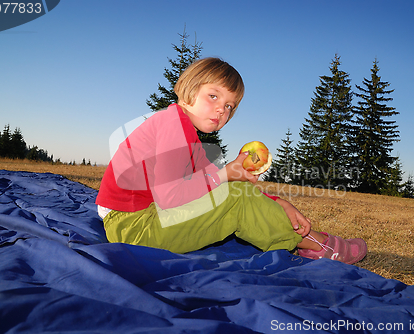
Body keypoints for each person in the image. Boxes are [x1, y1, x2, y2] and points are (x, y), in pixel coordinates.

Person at [96, 57, 367, 265]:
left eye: (229, 106)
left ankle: (304, 238)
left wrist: (278, 202)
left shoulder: (184, 132)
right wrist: (225, 175)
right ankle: (313, 244)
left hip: (135, 218)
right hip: (132, 228)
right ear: (189, 90)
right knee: (233, 197)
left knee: (234, 190)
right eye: (213, 96)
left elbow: (221, 181)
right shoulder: (173, 126)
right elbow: (171, 196)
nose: (221, 110)